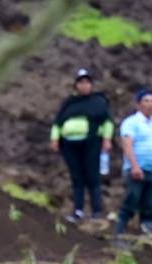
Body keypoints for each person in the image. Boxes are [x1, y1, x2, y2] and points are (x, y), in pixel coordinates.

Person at [51, 68, 114, 222]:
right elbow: (57, 123)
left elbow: (107, 122)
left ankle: (96, 211)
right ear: (76, 85)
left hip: (91, 142)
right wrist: (54, 139)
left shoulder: (98, 102)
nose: (84, 86)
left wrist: (106, 139)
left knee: (92, 176)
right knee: (76, 177)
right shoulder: (69, 103)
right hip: (69, 144)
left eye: (87, 83)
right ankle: (77, 210)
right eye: (81, 83)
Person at [116, 90, 152, 237]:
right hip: (136, 170)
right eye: (146, 101)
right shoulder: (131, 123)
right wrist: (134, 166)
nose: (150, 104)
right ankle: (119, 232)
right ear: (138, 104)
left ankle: (146, 235)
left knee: (150, 205)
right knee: (131, 201)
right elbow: (127, 144)